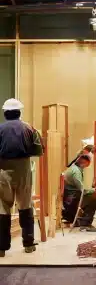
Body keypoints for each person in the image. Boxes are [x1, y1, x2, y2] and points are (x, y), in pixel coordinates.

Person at [0, 98, 44, 257]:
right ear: (19, 112)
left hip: (3, 170)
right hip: (23, 169)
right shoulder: (29, 128)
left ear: (5, 113)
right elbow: (39, 151)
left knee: (3, 207)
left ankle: (1, 247)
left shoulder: (0, 129)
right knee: (25, 205)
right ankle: (28, 243)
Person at [62, 154, 96, 232]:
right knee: (94, 199)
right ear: (84, 163)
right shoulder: (76, 172)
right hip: (71, 200)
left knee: (89, 196)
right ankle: (86, 224)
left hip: (68, 198)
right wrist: (94, 190)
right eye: (87, 164)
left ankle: (80, 219)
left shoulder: (72, 168)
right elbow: (82, 190)